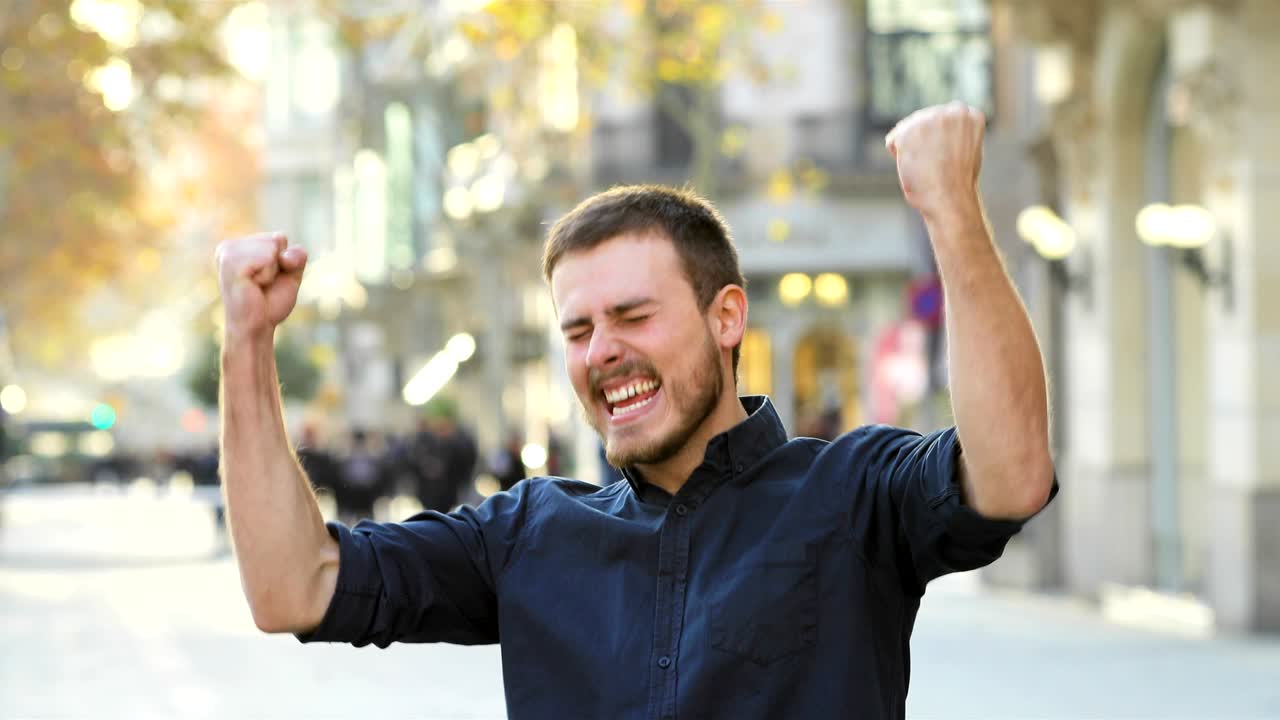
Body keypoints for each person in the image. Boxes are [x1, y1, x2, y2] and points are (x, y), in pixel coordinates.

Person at [215, 104, 1056, 719]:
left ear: (726, 317)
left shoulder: (852, 491)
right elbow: (294, 587)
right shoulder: (527, 534)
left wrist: (951, 211)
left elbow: (1013, 473)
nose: (601, 351)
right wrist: (246, 342)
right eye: (578, 330)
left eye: (632, 316)